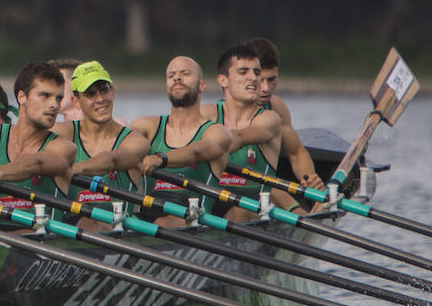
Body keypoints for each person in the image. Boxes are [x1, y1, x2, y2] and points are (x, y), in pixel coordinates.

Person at [114, 55, 232, 228]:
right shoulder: (147, 126)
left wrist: (161, 158)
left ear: (202, 85)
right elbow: (116, 143)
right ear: (167, 86)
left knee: (166, 221)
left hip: (193, 218)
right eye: (171, 75)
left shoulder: (217, 132)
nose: (177, 78)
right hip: (146, 219)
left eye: (185, 73)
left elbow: (196, 151)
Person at [201, 46, 283, 223]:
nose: (254, 78)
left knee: (238, 213)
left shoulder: (269, 119)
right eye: (243, 71)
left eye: (256, 72)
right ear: (223, 80)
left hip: (251, 208)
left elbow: (236, 139)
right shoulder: (205, 113)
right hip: (208, 202)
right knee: (166, 220)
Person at [0, 62, 76, 227]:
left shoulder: (64, 147)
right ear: (22, 97)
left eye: (58, 98)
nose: (54, 105)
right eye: (45, 95)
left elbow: (36, 163)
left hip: (38, 241)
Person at [56, 61, 136, 232]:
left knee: (88, 223)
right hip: (71, 224)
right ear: (76, 100)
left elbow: (112, 158)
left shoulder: (128, 135)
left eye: (103, 91)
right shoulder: (58, 133)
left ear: (112, 92)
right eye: (91, 94)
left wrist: (76, 168)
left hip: (116, 224)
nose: (100, 99)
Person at [244, 37, 326, 202]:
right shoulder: (220, 111)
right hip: (230, 190)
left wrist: (310, 179)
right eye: (260, 80)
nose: (266, 88)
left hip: (265, 192)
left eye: (272, 80)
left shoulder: (276, 107)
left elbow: (296, 153)